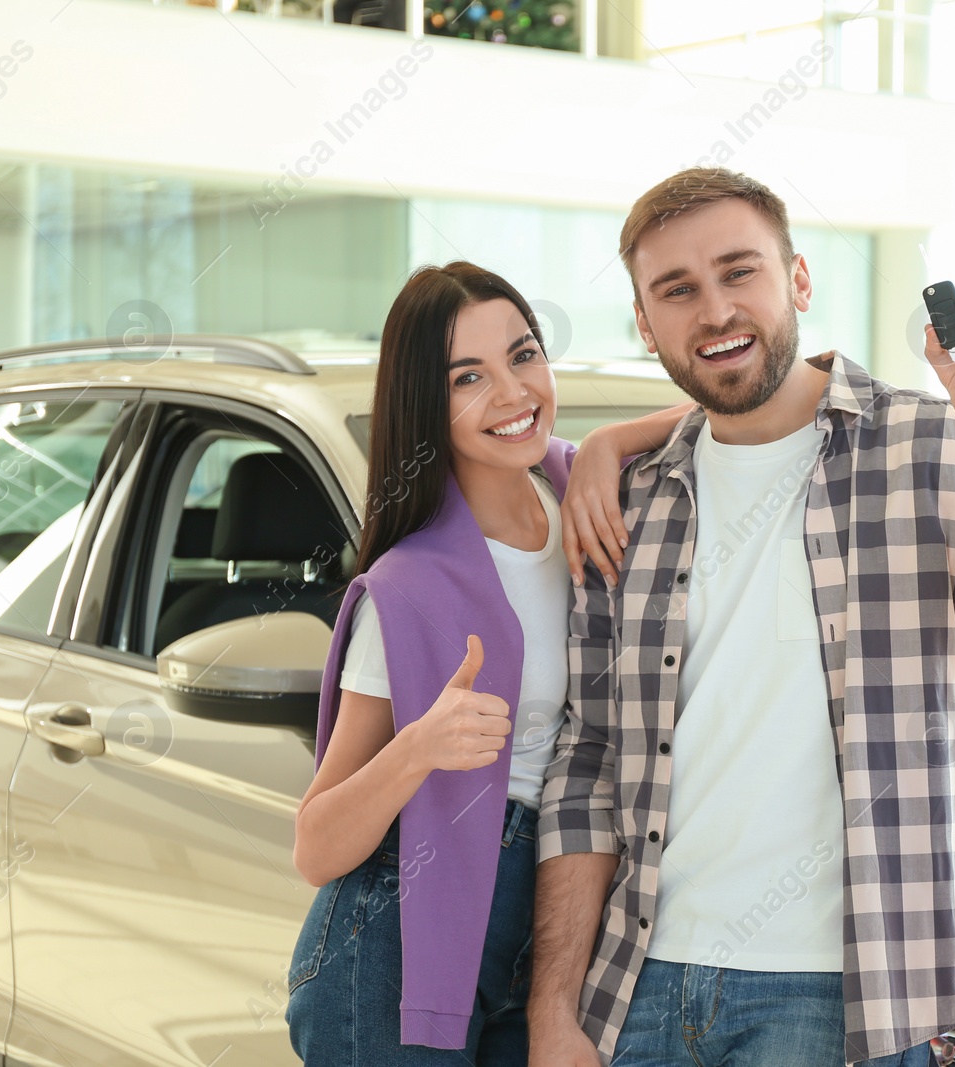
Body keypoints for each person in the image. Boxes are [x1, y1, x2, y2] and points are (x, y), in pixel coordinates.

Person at [529, 169, 955, 1067]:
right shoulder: (626, 497)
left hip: (843, 1001)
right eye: (678, 290)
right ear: (644, 321)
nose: (715, 311)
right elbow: (585, 763)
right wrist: (556, 1010)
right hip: (639, 992)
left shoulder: (925, 449)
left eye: (739, 272)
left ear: (800, 282)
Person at [284, 261, 690, 1065]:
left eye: (524, 355)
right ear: (426, 405)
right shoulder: (409, 587)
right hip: (400, 934)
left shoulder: (579, 487)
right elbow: (316, 846)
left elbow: (729, 410)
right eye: (469, 376)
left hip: (560, 901)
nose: (512, 392)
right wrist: (418, 748)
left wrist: (612, 437)